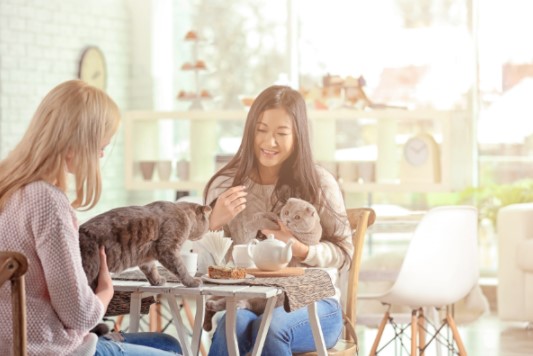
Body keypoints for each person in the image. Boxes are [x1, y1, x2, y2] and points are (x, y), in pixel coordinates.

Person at [0, 80, 181, 356]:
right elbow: (79, 315)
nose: (103, 151)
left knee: (168, 344)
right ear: (76, 143)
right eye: (101, 142)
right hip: (47, 349)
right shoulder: (48, 201)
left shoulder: (8, 187)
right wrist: (105, 291)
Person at [203, 85, 353, 355]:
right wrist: (213, 223)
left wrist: (299, 249)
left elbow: (344, 253)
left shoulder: (318, 183)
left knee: (274, 329)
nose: (268, 142)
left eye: (281, 133)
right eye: (261, 130)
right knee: (231, 326)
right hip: (251, 303)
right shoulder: (226, 186)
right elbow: (204, 268)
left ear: (298, 137)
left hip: (316, 303)